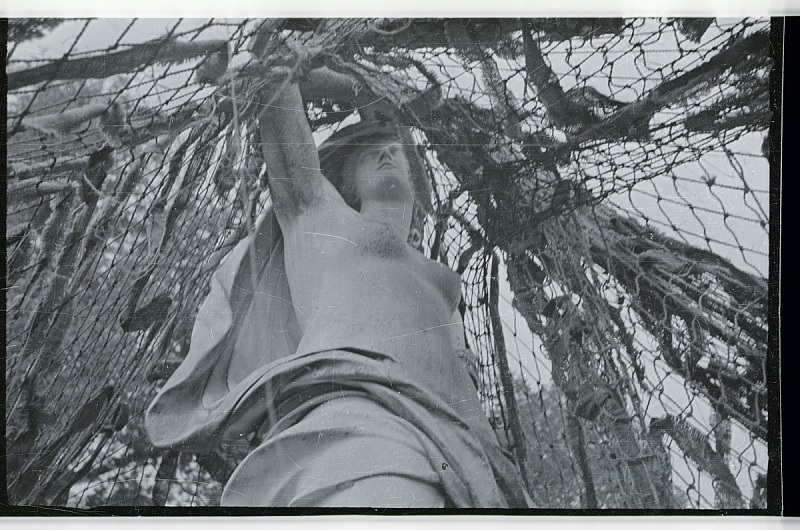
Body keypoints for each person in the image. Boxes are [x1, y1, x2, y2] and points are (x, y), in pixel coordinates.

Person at [145, 69, 530, 508]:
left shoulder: (444, 279)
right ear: (342, 184)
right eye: (369, 154)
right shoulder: (320, 219)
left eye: (395, 153)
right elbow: (278, 86)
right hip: (359, 418)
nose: (387, 152)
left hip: (464, 451)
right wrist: (352, 83)